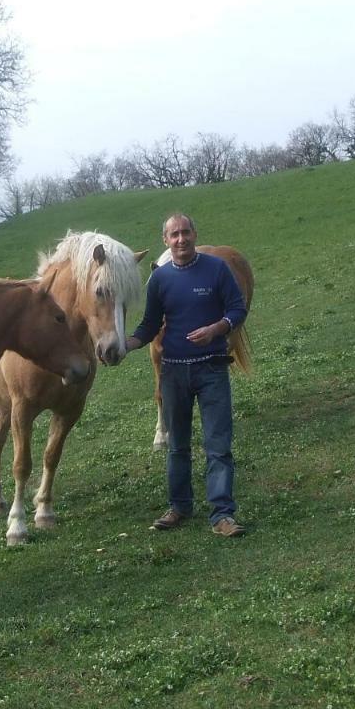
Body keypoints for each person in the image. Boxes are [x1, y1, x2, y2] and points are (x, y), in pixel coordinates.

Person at [125, 213, 249, 536]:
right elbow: (150, 325)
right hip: (174, 374)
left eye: (186, 232)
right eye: (174, 235)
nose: (181, 239)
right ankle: (179, 506)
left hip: (212, 369)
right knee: (177, 445)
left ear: (195, 234)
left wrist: (218, 328)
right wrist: (126, 344)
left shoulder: (217, 269)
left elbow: (237, 308)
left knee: (218, 444)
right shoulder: (160, 280)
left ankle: (222, 514)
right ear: (165, 241)